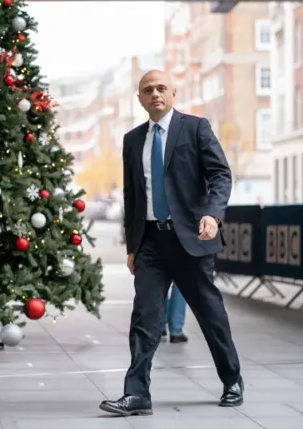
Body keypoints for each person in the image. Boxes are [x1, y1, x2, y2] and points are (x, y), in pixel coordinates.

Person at [99, 70, 243, 416]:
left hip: (191, 240)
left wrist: (212, 214)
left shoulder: (195, 128)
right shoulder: (133, 139)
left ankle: (232, 381)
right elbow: (132, 196)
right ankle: (137, 394)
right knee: (145, 317)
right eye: (148, 90)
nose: (155, 94)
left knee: (211, 316)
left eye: (161, 88)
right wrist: (132, 246)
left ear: (174, 93)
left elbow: (221, 175)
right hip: (150, 241)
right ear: (140, 99)